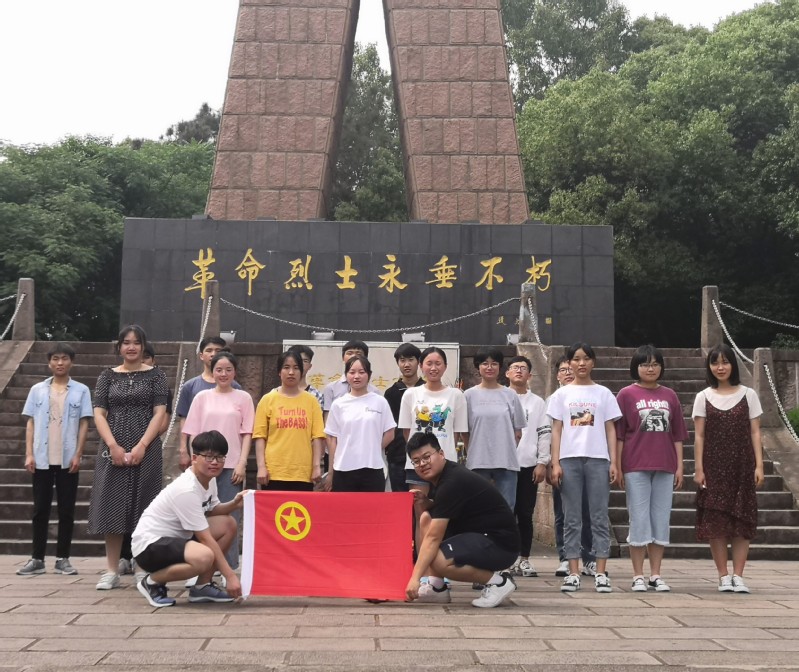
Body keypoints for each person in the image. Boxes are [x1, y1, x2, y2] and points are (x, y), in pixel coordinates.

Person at [87, 324, 169, 590]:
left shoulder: (156, 376)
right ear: (119, 347)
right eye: (126, 342)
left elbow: (159, 413)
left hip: (147, 448)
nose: (131, 347)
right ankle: (111, 569)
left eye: (136, 342)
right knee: (111, 505)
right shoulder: (107, 376)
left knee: (144, 507)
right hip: (112, 448)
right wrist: (113, 445)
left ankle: (141, 567)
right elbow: (99, 413)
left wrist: (143, 445)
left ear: (143, 346)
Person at [404, 433, 520, 608]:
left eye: (427, 457)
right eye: (416, 461)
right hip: (480, 535)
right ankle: (437, 588)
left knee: (438, 560)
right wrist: (427, 503)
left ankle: (499, 583)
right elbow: (447, 510)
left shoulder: (452, 481)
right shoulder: (444, 476)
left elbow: (433, 538)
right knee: (427, 518)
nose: (422, 464)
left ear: (441, 454)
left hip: (501, 544)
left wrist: (415, 578)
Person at [131, 430, 243, 607]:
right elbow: (205, 538)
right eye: (209, 457)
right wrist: (230, 576)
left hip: (176, 540)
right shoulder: (187, 489)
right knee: (204, 556)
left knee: (228, 524)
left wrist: (235, 503)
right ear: (195, 458)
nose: (215, 462)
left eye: (220, 457)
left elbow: (212, 509)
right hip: (150, 546)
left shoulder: (208, 479)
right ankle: (151, 582)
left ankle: (202, 587)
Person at [548, 343, 621, 594]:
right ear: (569, 363)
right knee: (572, 518)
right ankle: (573, 572)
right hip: (569, 460)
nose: (581, 363)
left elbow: (610, 429)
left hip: (598, 459)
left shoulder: (604, 393)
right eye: (576, 359)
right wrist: (555, 462)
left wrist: (614, 461)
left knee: (599, 516)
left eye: (586, 358)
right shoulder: (561, 395)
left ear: (593, 362)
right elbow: (556, 430)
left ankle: (600, 571)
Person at [17, 343, 93, 576]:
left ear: (72, 362)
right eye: (56, 358)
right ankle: (37, 559)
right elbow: (30, 423)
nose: (60, 363)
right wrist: (29, 453)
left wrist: (78, 454)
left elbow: (84, 423)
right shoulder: (37, 390)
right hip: (41, 458)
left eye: (65, 358)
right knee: (40, 509)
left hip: (67, 459)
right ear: (49, 362)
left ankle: (63, 559)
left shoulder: (81, 390)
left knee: (66, 510)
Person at [398, 346, 468, 599]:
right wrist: (420, 458)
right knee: (421, 517)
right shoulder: (411, 394)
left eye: (438, 363)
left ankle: (442, 570)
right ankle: (426, 574)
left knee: (443, 517)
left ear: (445, 367)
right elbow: (407, 432)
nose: (433, 368)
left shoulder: (456, 395)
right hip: (417, 466)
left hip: (446, 466)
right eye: (429, 363)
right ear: (421, 366)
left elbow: (459, 433)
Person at [693, 343, 764, 594]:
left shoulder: (749, 394)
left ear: (733, 364)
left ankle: (738, 576)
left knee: (742, 521)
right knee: (716, 522)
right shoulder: (703, 397)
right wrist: (699, 468)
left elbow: (755, 432)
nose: (720, 367)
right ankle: (723, 575)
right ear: (709, 366)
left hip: (742, 466)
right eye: (715, 362)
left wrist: (759, 465)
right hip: (713, 467)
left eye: (725, 362)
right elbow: (699, 436)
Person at [616, 345, 688, 593]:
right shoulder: (626, 394)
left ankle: (656, 574)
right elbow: (619, 434)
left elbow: (678, 434)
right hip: (635, 465)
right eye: (645, 364)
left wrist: (680, 466)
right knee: (638, 519)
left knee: (660, 520)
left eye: (655, 364)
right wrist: (617, 465)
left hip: (665, 465)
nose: (650, 368)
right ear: (636, 367)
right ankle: (637, 575)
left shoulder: (670, 395)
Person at [182, 351, 254, 569]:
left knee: (230, 515)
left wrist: (242, 463)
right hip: (203, 466)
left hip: (231, 465)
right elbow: (193, 432)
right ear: (212, 372)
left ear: (235, 372)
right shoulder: (201, 397)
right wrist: (195, 461)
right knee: (201, 514)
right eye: (219, 370)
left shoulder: (243, 398)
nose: (223, 374)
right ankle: (201, 563)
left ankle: (228, 566)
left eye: (228, 370)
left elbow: (247, 433)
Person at [118, 343, 175, 577]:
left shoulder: (159, 383)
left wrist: (143, 442)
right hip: (121, 447)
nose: (144, 361)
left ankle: (141, 555)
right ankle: (123, 555)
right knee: (122, 502)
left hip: (148, 449)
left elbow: (164, 420)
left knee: (144, 502)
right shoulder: (119, 381)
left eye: (148, 357)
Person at [548, 355, 597, 578]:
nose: (568, 373)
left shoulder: (591, 396)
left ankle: (589, 558)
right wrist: (551, 462)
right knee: (563, 513)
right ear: (557, 376)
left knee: (587, 512)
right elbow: (549, 434)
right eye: (563, 370)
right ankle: (565, 558)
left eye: (570, 368)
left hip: (588, 460)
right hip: (562, 461)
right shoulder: (554, 399)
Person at [463, 347, 526, 509]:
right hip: (478, 463)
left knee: (506, 509)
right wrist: (472, 451)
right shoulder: (468, 395)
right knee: (478, 509)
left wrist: (506, 449)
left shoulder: (510, 395)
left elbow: (518, 431)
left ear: (500, 367)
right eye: (485, 363)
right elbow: (465, 432)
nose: (489, 367)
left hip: (506, 463)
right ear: (478, 366)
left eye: (494, 363)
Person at [253, 350, 325, 491]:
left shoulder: (311, 401)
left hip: (303, 473)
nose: (291, 372)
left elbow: (317, 437)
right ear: (279, 372)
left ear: (302, 371)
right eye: (286, 367)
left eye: (296, 368)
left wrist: (316, 466)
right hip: (273, 473)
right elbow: (260, 436)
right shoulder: (267, 400)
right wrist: (261, 467)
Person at [506, 355, 551, 578]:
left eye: (523, 368)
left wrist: (542, 462)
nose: (519, 371)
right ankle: (505, 558)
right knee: (505, 513)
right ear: (507, 373)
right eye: (515, 367)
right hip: (503, 466)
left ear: (530, 375)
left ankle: (524, 558)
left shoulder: (537, 403)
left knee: (525, 513)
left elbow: (544, 433)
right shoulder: (500, 397)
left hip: (527, 465)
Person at [324, 355, 396, 492]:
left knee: (372, 506)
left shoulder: (380, 402)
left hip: (372, 468)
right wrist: (331, 470)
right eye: (352, 372)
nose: (356, 376)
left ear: (369, 375)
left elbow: (390, 433)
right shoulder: (338, 404)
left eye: (361, 372)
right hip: (343, 469)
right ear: (346, 375)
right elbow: (331, 438)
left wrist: (373, 448)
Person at [176, 336, 241, 470]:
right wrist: (183, 449)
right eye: (209, 350)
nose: (213, 354)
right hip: (201, 452)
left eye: (218, 350)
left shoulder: (236, 388)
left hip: (229, 455)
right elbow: (185, 419)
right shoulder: (190, 386)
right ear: (201, 355)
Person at [383, 343, 424, 493]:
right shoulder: (391, 393)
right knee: (399, 499)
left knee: (422, 498)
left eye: (411, 360)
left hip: (423, 454)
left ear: (419, 362)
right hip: (398, 455)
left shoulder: (426, 389)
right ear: (398, 363)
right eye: (402, 360)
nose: (406, 364)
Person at [321, 340, 378, 417]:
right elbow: (328, 417)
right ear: (343, 357)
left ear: (365, 358)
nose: (354, 356)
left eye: (358, 353)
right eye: (349, 353)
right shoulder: (331, 388)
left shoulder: (374, 392)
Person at [287, 344, 324, 408]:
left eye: (305, 361)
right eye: (297, 360)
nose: (301, 364)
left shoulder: (316, 395)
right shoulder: (276, 394)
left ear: (310, 366)